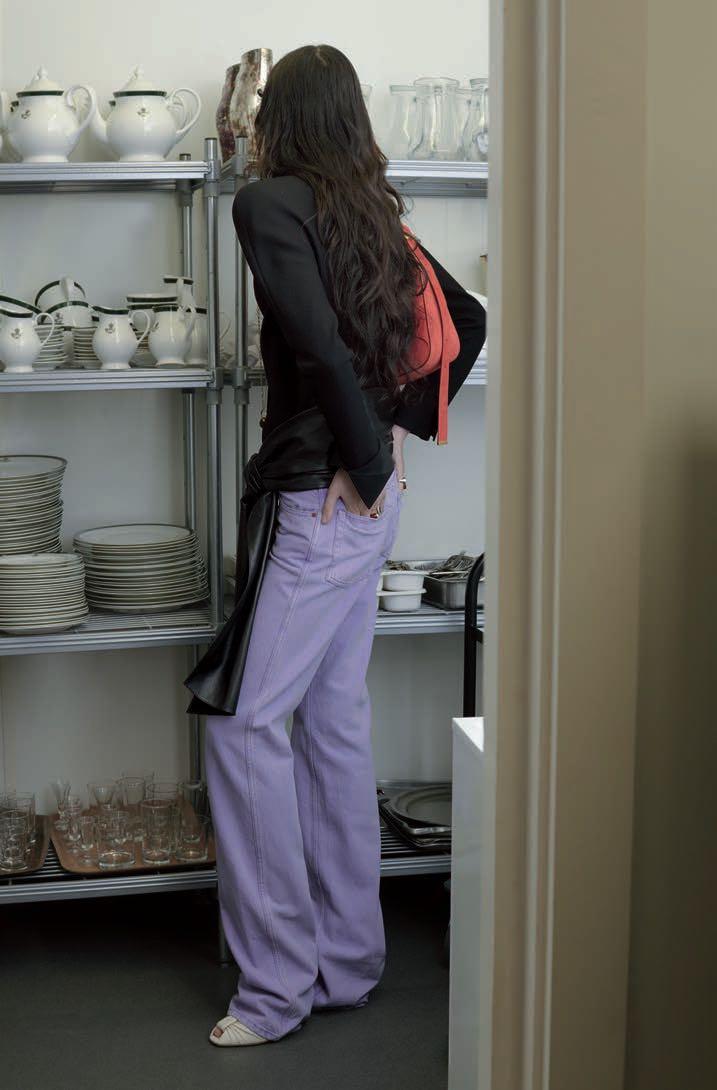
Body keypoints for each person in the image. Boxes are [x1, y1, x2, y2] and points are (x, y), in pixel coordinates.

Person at [196, 43, 486, 1047]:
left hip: (323, 502)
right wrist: (388, 444)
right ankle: (349, 962)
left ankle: (275, 987)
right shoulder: (371, 212)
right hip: (368, 501)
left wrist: (361, 462)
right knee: (331, 720)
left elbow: (318, 346)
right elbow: (468, 321)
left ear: (282, 119)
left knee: (242, 728)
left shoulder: (267, 205)